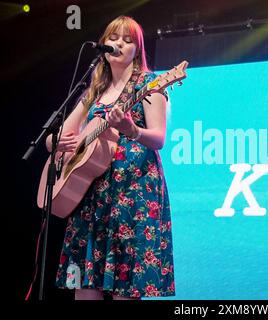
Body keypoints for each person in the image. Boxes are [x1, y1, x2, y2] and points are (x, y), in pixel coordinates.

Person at [46, 15, 175, 300]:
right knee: (84, 288)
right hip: (91, 197)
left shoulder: (150, 84)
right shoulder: (94, 91)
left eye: (127, 41)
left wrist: (131, 129)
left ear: (137, 51)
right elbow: (56, 138)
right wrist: (57, 144)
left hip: (133, 192)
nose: (119, 44)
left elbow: (159, 138)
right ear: (103, 45)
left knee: (125, 288)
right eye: (114, 38)